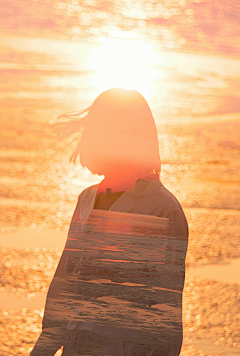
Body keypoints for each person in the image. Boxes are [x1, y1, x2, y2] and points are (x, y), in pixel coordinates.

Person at [30, 88, 188, 356]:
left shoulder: (162, 209)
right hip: (77, 346)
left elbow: (166, 309)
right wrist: (41, 350)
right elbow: (65, 285)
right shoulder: (87, 200)